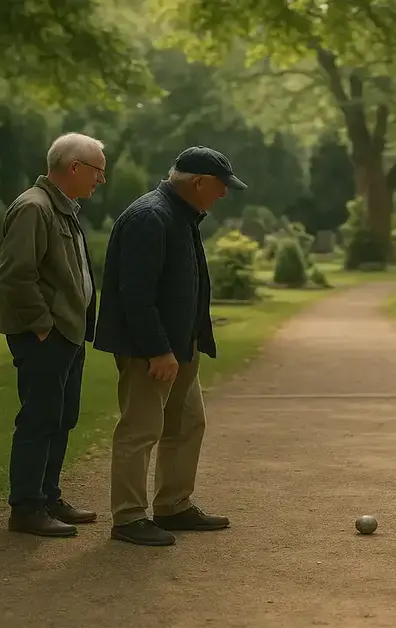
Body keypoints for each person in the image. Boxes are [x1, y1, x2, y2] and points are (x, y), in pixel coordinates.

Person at [92, 146, 246, 546]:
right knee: (140, 430)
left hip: (180, 345)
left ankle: (173, 505)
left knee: (186, 423)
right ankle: (128, 518)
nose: (224, 194)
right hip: (151, 349)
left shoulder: (180, 214)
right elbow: (136, 295)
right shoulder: (150, 217)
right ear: (198, 182)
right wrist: (158, 349)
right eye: (220, 186)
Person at [0, 132, 107, 537]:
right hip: (47, 334)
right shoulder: (33, 207)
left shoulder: (63, 208)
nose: (102, 180)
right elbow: (16, 275)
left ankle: (47, 495)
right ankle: (26, 508)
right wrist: (43, 326)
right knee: (40, 419)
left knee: (61, 418)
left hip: (68, 333)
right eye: (98, 171)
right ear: (74, 168)